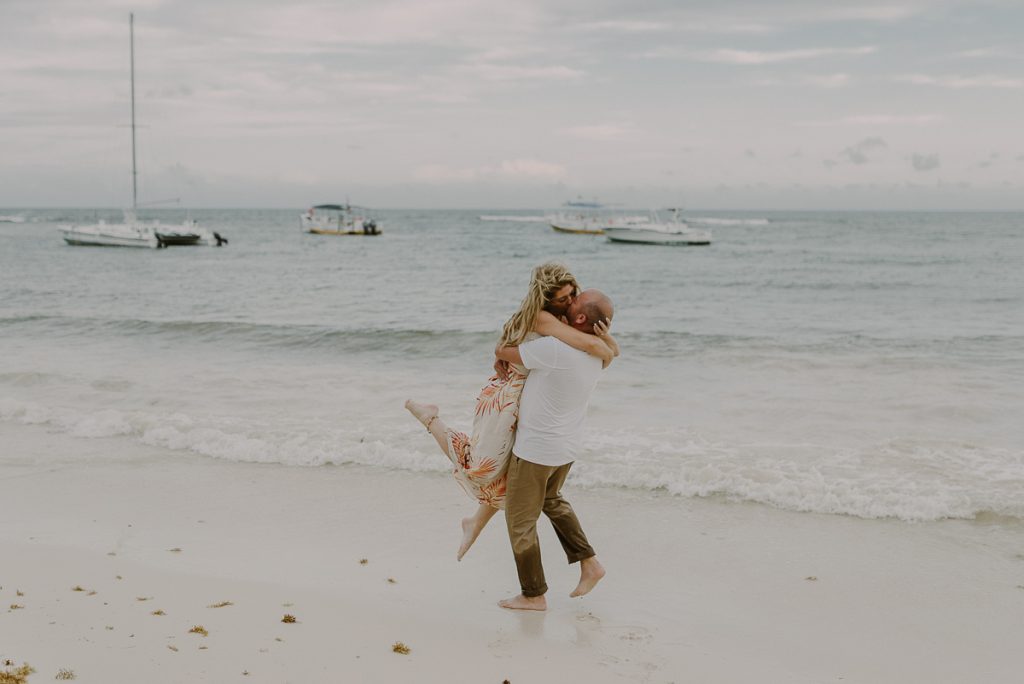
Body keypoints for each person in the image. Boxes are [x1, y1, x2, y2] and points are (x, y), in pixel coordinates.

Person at [405, 263, 618, 561]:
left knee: (505, 472)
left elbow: (590, 353)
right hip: (507, 397)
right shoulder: (543, 318)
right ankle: (430, 418)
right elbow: (589, 345)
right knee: (480, 467)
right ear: (546, 300)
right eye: (564, 298)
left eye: (574, 295)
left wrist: (607, 344)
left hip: (525, 401)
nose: (571, 302)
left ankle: (474, 523)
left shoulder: (560, 318)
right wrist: (607, 343)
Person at [492, 289, 614, 611]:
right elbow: (608, 352)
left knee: (520, 523)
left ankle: (533, 595)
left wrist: (505, 342)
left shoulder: (555, 349)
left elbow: (505, 351)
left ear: (581, 318)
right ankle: (590, 563)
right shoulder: (598, 354)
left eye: (573, 300)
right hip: (566, 447)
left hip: (536, 450)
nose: (566, 301)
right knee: (552, 500)